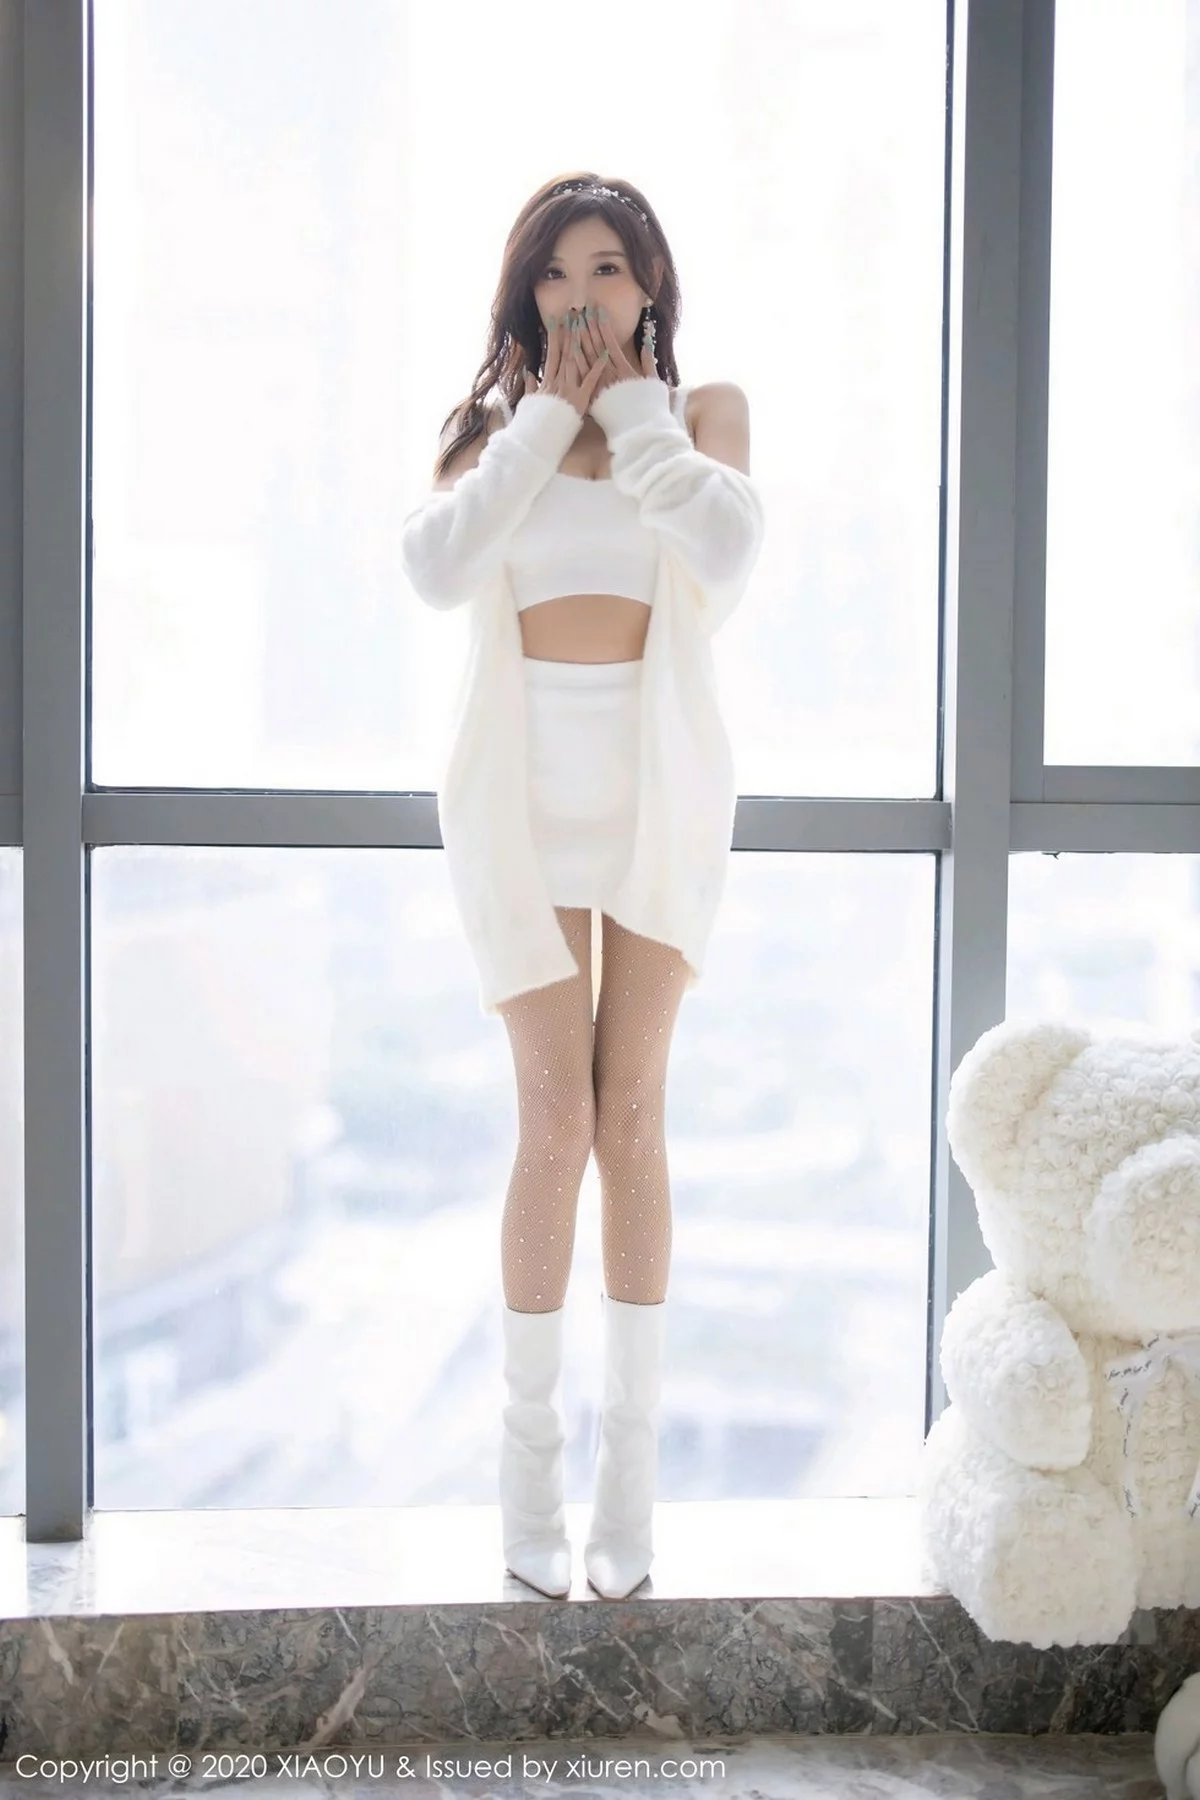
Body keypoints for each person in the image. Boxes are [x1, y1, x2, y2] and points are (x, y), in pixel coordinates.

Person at [400, 173, 765, 1601]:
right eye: (557, 274)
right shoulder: (494, 435)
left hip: (658, 802)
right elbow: (438, 572)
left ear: (650, 285)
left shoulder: (701, 415)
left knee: (633, 1116)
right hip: (520, 809)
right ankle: (526, 1480)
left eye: (608, 269)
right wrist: (548, 419)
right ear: (527, 293)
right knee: (552, 1120)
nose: (582, 296)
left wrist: (629, 409)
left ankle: (631, 1490)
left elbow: (725, 554)